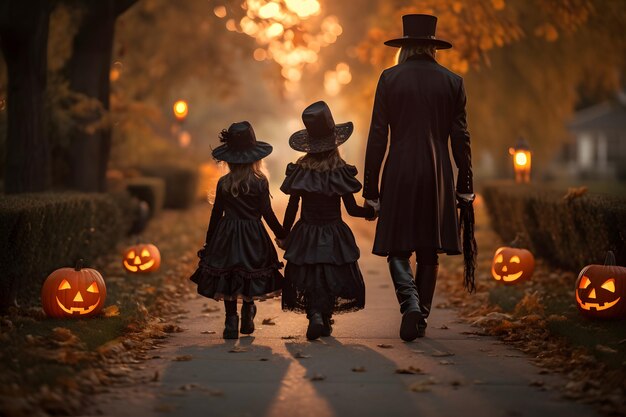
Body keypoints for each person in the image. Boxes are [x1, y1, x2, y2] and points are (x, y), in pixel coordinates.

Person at [363, 14, 476, 342]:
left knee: (397, 249)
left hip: (398, 169)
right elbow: (461, 137)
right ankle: (421, 315)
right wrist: (464, 184)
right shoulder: (453, 82)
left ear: (405, 46)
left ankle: (410, 305)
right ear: (432, 46)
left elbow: (377, 136)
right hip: (437, 172)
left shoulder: (389, 79)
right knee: (429, 250)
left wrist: (371, 189)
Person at [279, 101, 376, 341]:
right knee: (331, 275)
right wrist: (372, 212)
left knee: (310, 274)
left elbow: (293, 206)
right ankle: (325, 316)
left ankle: (315, 315)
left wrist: (284, 233)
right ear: (335, 142)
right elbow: (352, 209)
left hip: (306, 231)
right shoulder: (339, 170)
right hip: (333, 232)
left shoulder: (301, 170)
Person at [190, 121, 287, 339]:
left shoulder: (224, 183)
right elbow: (267, 214)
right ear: (255, 157)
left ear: (230, 160)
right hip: (254, 235)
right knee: (249, 272)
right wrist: (282, 235)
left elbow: (216, 215)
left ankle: (230, 320)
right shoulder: (260, 182)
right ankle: (248, 313)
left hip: (227, 234)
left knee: (231, 273)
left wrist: (210, 242)